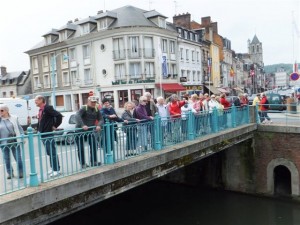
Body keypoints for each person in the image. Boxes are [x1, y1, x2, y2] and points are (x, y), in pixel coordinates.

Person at [35, 95, 62, 178]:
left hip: (48, 133)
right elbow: (41, 121)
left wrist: (55, 126)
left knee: (52, 151)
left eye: (36, 100)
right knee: (49, 152)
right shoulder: (41, 110)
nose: (35, 102)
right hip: (43, 133)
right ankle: (53, 168)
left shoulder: (47, 108)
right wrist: (38, 130)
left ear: (41, 100)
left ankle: (56, 170)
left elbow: (59, 115)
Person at [75, 96, 103, 168]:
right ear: (88, 102)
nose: (93, 103)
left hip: (90, 130)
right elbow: (77, 116)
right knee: (81, 147)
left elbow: (101, 119)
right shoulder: (84, 108)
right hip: (80, 130)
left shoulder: (96, 109)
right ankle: (83, 163)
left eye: (94, 102)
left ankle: (94, 161)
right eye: (92, 102)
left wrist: (99, 125)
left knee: (94, 145)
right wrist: (82, 125)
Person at [0, 105, 24, 179]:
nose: (0, 112)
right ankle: (10, 173)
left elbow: (20, 128)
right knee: (6, 159)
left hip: (14, 141)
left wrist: (22, 136)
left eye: (2, 110)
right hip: (3, 143)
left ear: (7, 111)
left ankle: (20, 172)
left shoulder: (14, 118)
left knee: (18, 157)